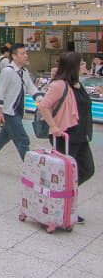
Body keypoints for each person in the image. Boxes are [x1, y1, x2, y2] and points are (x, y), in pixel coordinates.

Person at [38, 51, 94, 224]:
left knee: (86, 169)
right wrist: (54, 126)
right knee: (66, 175)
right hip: (66, 136)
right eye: (82, 63)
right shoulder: (60, 85)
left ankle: (62, 200)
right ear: (74, 67)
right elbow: (44, 106)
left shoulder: (77, 84)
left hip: (82, 135)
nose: (85, 65)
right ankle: (60, 206)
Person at [0, 43, 42, 171]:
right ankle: (31, 170)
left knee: (4, 136)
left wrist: (41, 100)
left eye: (26, 53)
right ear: (14, 56)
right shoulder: (8, 71)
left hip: (17, 112)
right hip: (9, 112)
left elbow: (30, 87)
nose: (25, 56)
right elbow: (0, 91)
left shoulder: (24, 72)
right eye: (22, 53)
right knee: (23, 139)